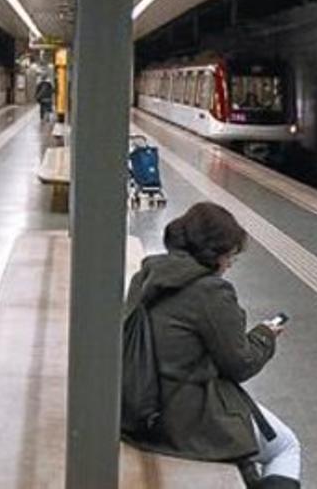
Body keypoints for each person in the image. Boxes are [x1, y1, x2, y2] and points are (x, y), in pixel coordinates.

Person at [124, 202, 300, 487]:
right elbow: (240, 364)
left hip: (138, 405)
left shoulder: (147, 275)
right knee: (285, 447)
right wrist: (265, 335)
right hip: (182, 418)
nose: (230, 263)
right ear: (214, 253)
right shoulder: (211, 292)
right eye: (230, 255)